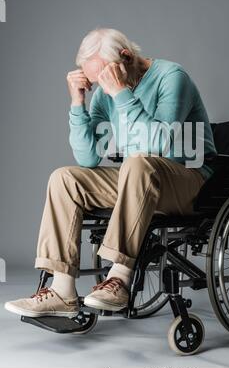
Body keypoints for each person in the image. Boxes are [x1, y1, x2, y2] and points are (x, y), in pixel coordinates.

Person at [5, 27, 216, 318]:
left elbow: (159, 145)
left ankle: (119, 277)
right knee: (65, 178)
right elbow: (88, 157)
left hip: (190, 180)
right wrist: (77, 104)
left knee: (139, 162)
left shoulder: (171, 77)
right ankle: (62, 289)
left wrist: (120, 93)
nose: (101, 86)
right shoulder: (105, 93)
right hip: (141, 179)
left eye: (104, 76)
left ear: (126, 57)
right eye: (95, 80)